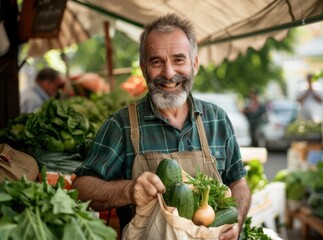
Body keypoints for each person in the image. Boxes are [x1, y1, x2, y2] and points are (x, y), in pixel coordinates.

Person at [71, 13, 251, 239]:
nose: (168, 74)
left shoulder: (217, 119)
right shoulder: (121, 125)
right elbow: (81, 189)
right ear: (144, 67)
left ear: (194, 64)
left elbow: (238, 182)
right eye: (157, 61)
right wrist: (128, 190)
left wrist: (237, 222)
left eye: (178, 60)